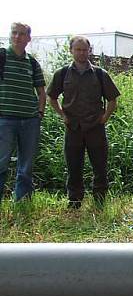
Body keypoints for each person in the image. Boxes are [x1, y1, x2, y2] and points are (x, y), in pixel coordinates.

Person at [47, 35, 120, 209]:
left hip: (95, 127)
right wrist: (62, 115)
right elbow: (51, 97)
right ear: (71, 50)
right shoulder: (62, 73)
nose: (81, 53)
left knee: (100, 166)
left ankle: (100, 201)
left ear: (89, 51)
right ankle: (74, 201)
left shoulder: (100, 74)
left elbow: (112, 100)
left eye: (84, 50)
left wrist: (104, 117)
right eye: (78, 49)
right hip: (73, 128)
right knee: (74, 167)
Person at [0, 22, 46, 201]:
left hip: (29, 121)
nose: (17, 37)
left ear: (28, 38)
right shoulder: (2, 56)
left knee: (26, 166)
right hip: (4, 119)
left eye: (22, 34)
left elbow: (41, 92)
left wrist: (39, 114)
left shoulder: (32, 63)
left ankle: (22, 202)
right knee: (1, 163)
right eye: (14, 33)